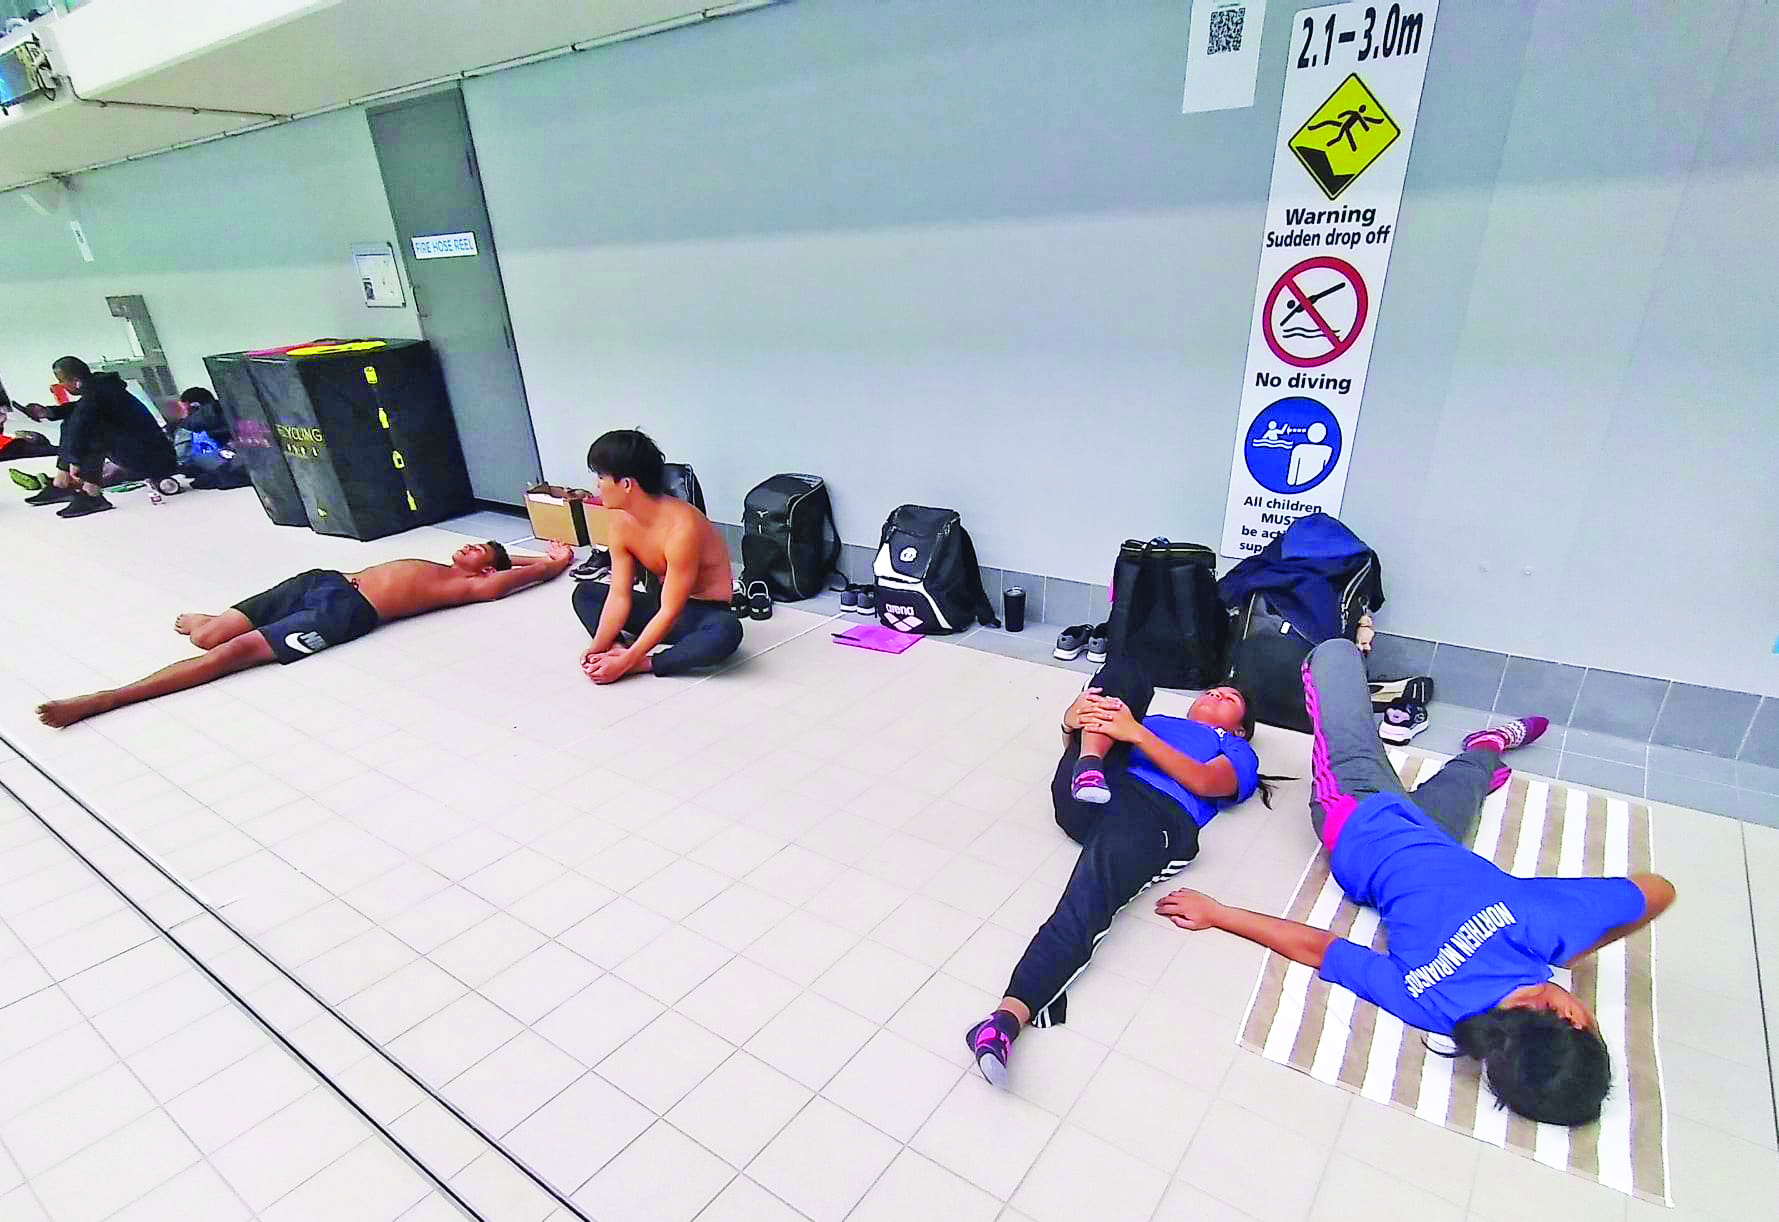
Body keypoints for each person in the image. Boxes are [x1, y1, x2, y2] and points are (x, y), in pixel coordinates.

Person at [1154, 639, 1676, 1127]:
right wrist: (1217, 912)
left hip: (1356, 813)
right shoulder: (1453, 1001)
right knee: (1462, 789)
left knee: (1333, 654)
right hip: (1431, 837)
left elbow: (1658, 890)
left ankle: (1474, 754)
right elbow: (1320, 947)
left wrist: (1220, 914)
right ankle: (1485, 749)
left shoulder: (1519, 939)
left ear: (1573, 1017)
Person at [964, 660, 1269, 1085]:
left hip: (1155, 814)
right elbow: (1096, 728)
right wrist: (1072, 722)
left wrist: (1135, 733)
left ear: (1241, 729)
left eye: (1229, 697)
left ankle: (1005, 1019)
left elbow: (1204, 782)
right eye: (1213, 690)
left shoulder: (1236, 751)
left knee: (1088, 898)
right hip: (1093, 788)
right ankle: (1089, 765)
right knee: (1130, 673)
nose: (1216, 694)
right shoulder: (1153, 720)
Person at [36, 540, 573, 728]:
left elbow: (524, 573)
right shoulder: (445, 567)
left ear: (487, 570)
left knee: (231, 654)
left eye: (481, 551)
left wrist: (551, 561)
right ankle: (209, 624)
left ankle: (108, 698)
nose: (469, 547)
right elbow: (503, 561)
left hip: (345, 612)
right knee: (207, 637)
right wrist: (512, 555)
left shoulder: (472, 586)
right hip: (322, 581)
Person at [571, 429, 741, 683]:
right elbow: (619, 595)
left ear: (626, 484)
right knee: (585, 593)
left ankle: (646, 663)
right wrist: (597, 648)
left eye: (601, 477)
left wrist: (629, 662)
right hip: (660, 604)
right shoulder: (620, 520)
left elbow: (672, 610)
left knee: (726, 632)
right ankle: (616, 648)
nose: (597, 485)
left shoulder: (682, 527)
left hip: (700, 612)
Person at [15, 357, 180, 518]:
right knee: (72, 423)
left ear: (76, 381)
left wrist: (75, 461)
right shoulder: (101, 390)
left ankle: (91, 494)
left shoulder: (99, 395)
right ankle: (62, 483)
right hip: (145, 454)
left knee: (95, 434)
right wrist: (48, 412)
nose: (62, 386)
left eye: (62, 381)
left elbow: (82, 420)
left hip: (155, 461)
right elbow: (79, 411)